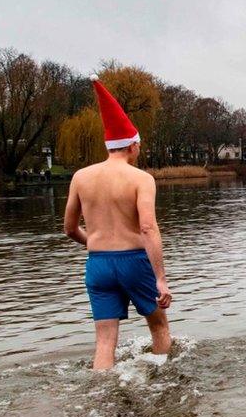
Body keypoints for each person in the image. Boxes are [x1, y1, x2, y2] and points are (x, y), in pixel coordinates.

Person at [63, 75, 172, 370]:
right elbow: (148, 228)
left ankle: (101, 392)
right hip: (134, 261)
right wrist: (160, 278)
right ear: (133, 145)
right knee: (159, 327)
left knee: (104, 341)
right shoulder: (141, 179)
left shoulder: (81, 177)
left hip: (97, 264)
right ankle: (164, 383)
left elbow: (69, 228)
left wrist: (95, 243)